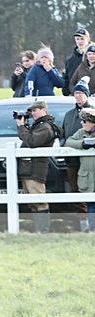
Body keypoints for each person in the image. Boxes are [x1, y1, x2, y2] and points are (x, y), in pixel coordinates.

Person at [15, 99, 62, 233]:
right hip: (29, 168)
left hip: (35, 169)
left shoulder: (46, 127)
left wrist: (21, 127)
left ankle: (43, 230)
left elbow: (32, 141)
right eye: (31, 111)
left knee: (39, 200)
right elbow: (27, 138)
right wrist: (24, 126)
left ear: (44, 110)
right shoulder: (39, 125)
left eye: (35, 110)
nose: (33, 113)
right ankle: (39, 230)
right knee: (32, 202)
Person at [61, 77, 93, 230]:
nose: (78, 96)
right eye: (76, 93)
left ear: (87, 95)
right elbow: (64, 136)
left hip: (89, 161)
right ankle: (83, 224)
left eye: (81, 93)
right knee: (76, 190)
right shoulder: (69, 115)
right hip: (73, 160)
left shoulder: (92, 112)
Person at [65, 107, 95, 231]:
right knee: (91, 204)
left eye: (85, 121)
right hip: (87, 177)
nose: (82, 123)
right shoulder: (81, 132)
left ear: (93, 123)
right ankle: (93, 229)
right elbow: (69, 141)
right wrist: (83, 144)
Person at [63, 28, 91, 96]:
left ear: (88, 39)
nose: (80, 41)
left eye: (82, 39)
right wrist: (67, 93)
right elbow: (66, 79)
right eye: (77, 39)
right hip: (74, 95)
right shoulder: (70, 60)